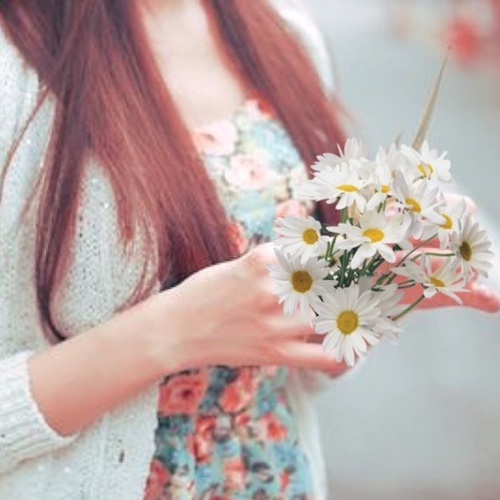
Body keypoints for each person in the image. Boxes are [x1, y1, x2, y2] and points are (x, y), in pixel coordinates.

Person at [0, 1, 498, 499]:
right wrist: (170, 333)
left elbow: (281, 373)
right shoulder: (14, 66)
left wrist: (363, 296)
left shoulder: (280, 29)